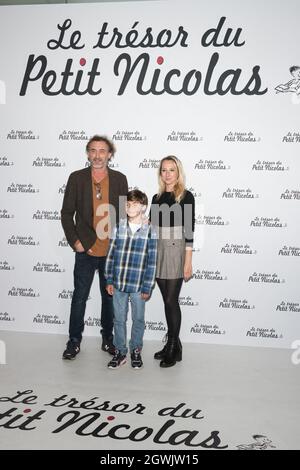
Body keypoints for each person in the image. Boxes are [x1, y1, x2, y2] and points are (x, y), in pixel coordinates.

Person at [61, 135, 128, 359]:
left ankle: (107, 340)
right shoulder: (76, 178)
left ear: (110, 154)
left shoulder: (120, 179)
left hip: (111, 251)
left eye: (102, 151)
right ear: (88, 154)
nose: (97, 155)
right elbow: (66, 214)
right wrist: (76, 242)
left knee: (109, 299)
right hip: (86, 250)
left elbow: (123, 216)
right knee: (79, 296)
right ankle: (73, 342)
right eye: (93, 150)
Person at [150, 156, 195, 368]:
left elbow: (189, 232)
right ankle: (174, 346)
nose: (167, 174)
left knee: (170, 300)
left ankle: (173, 346)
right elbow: (151, 228)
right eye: (164, 170)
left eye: (172, 170)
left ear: (178, 173)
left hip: (177, 251)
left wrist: (188, 262)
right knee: (167, 300)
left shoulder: (186, 197)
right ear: (160, 173)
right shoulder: (156, 198)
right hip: (158, 250)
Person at [105, 190, 157, 369]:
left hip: (138, 285)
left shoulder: (150, 230)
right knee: (118, 319)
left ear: (143, 207)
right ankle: (120, 351)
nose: (130, 207)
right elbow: (110, 255)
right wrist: (109, 279)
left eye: (135, 204)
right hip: (119, 283)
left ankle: (136, 349)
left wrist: (148, 286)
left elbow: (152, 261)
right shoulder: (118, 227)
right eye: (128, 204)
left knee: (138, 319)